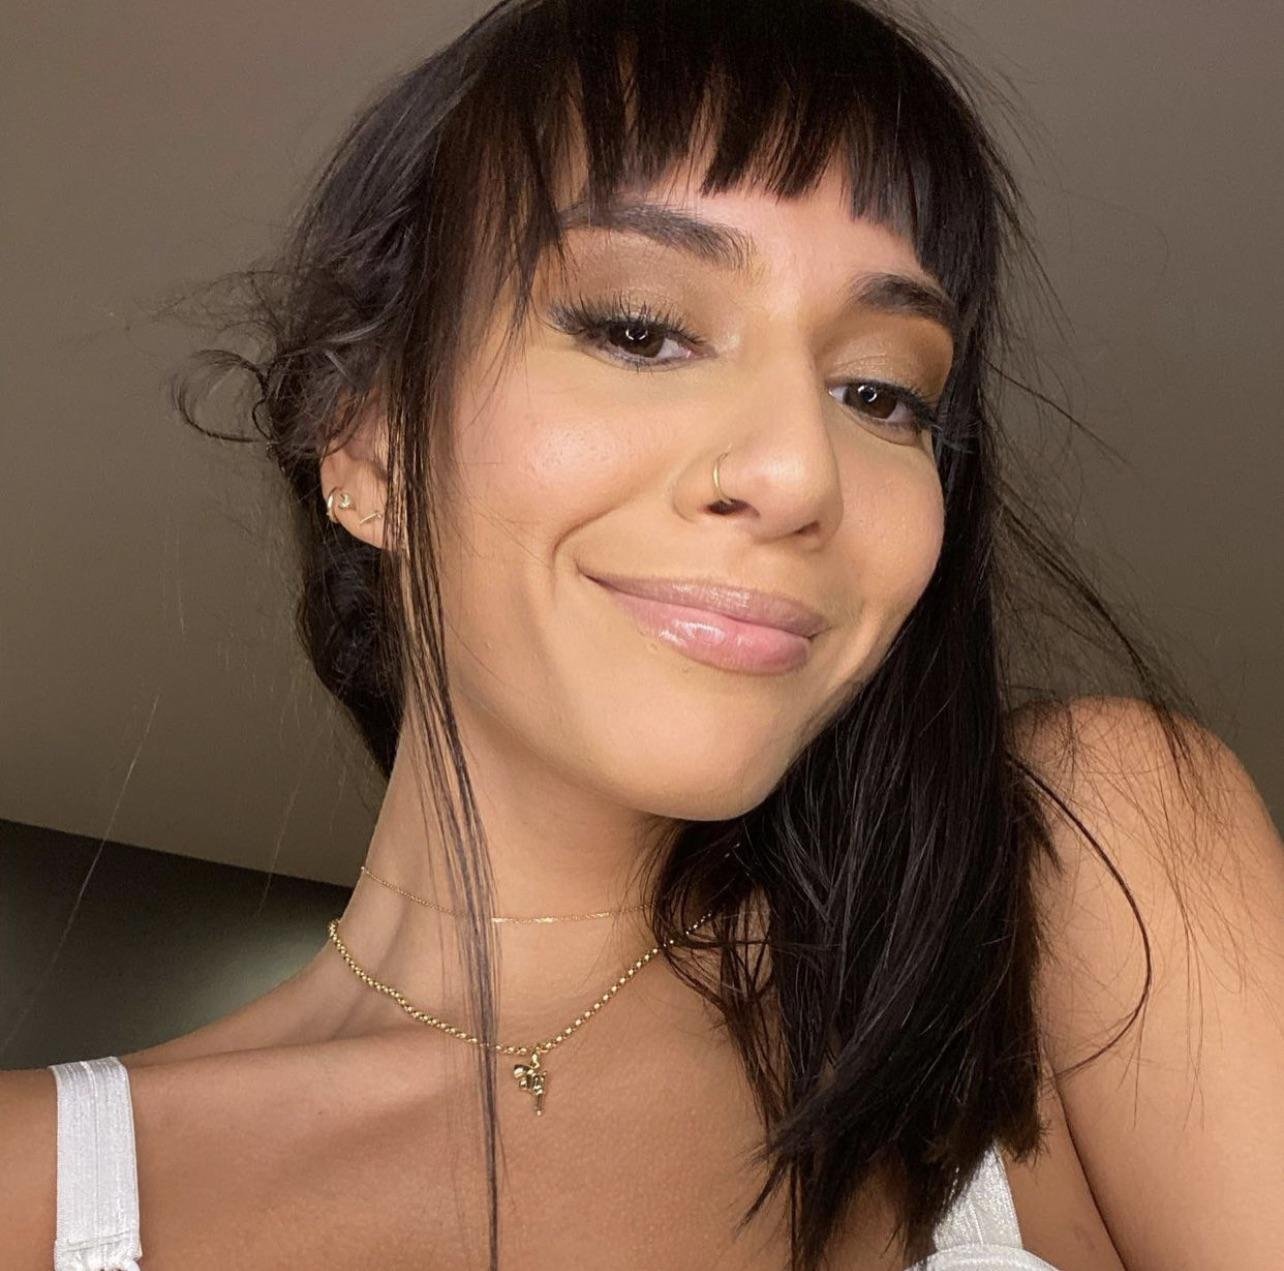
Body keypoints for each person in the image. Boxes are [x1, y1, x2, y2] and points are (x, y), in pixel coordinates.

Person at [3, 1, 1282, 1268]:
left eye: (881, 392)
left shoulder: (1078, 888)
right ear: (369, 443)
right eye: (639, 329)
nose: (798, 472)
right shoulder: (39, 1190)